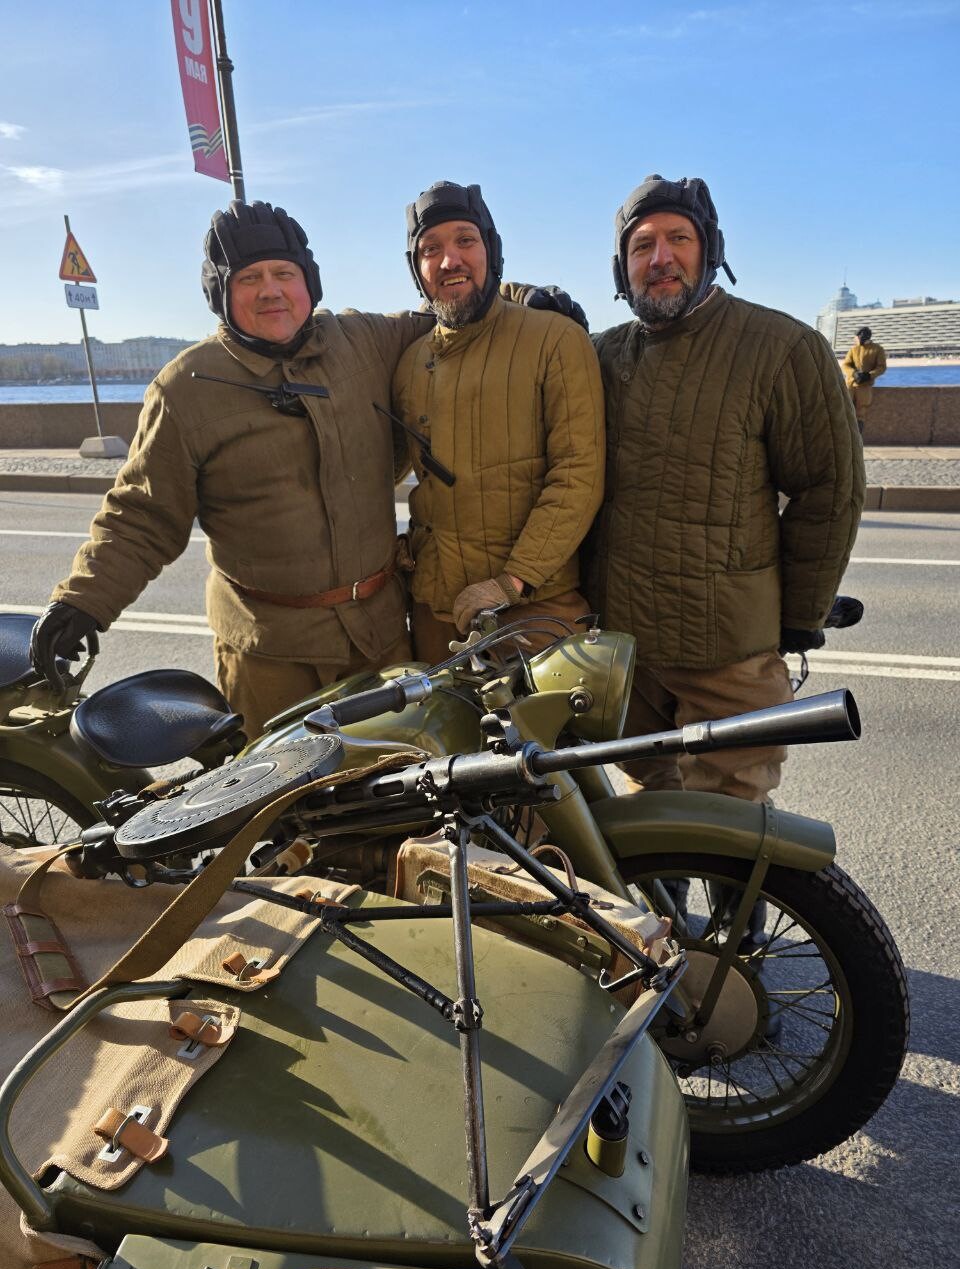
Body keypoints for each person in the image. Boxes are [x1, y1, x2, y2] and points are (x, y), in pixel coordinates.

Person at [30, 200, 433, 738]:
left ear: (309, 282)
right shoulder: (185, 388)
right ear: (220, 293)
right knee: (280, 789)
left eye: (284, 273)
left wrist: (528, 300)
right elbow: (143, 516)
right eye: (249, 278)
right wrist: (81, 601)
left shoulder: (363, 342)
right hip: (271, 657)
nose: (270, 290)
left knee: (399, 778)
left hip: (381, 640)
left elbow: (452, 309)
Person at [587, 174, 865, 814]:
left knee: (728, 827)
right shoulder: (600, 355)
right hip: (626, 655)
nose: (660, 258)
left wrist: (797, 616)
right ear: (622, 267)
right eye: (642, 245)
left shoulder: (782, 347)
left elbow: (830, 491)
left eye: (678, 239)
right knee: (645, 816)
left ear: (709, 249)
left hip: (727, 656)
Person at [392, 180, 605, 664]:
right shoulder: (409, 362)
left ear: (491, 250)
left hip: (535, 614)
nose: (449, 260)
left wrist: (513, 581)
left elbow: (578, 474)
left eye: (465, 240)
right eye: (430, 249)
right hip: (434, 613)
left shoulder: (556, 340)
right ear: (416, 269)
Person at [842, 325, 887, 435]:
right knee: (845, 409)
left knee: (860, 413)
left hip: (865, 386)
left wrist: (869, 375)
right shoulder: (853, 349)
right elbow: (845, 365)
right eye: (858, 336)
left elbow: (881, 367)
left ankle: (857, 437)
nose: (859, 338)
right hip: (850, 384)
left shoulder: (877, 349)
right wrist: (853, 374)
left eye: (861, 335)